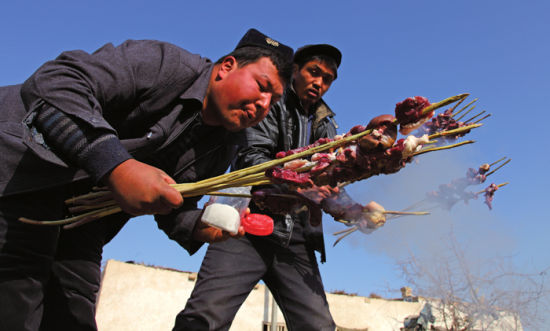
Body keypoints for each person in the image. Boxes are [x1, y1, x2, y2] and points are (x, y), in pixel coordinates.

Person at [0, 28, 293, 331]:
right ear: (227, 67)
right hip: (23, 176)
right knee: (17, 301)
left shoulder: (224, 146)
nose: (263, 104)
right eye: (262, 86)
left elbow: (174, 205)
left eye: (273, 100)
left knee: (74, 310)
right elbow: (56, 82)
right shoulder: (167, 66)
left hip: (81, 224)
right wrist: (117, 166)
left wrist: (197, 225)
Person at [176, 44, 342, 331]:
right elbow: (253, 158)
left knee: (319, 326)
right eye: (314, 73)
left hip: (295, 237)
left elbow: (329, 179)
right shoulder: (268, 102)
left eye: (327, 79)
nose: (320, 83)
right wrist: (302, 186)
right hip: (245, 225)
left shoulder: (326, 124)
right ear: (295, 71)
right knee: (203, 320)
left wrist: (351, 208)